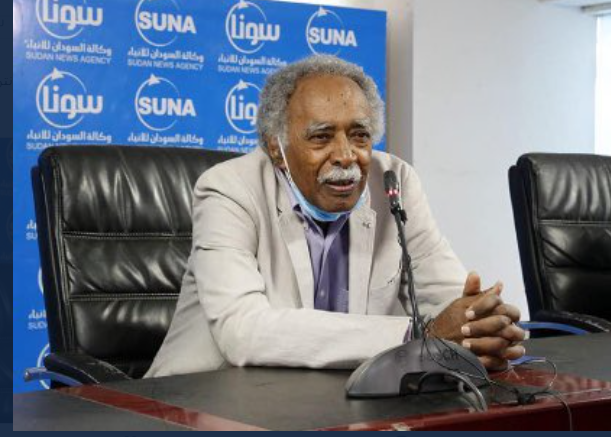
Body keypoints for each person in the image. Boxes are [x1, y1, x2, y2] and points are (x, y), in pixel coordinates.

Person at [146, 55, 525, 378]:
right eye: (321, 136)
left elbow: (449, 304)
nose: (346, 155)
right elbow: (242, 330)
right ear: (276, 148)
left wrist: (482, 324)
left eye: (360, 135)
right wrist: (415, 336)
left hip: (337, 398)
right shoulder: (228, 188)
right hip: (200, 400)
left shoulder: (395, 181)